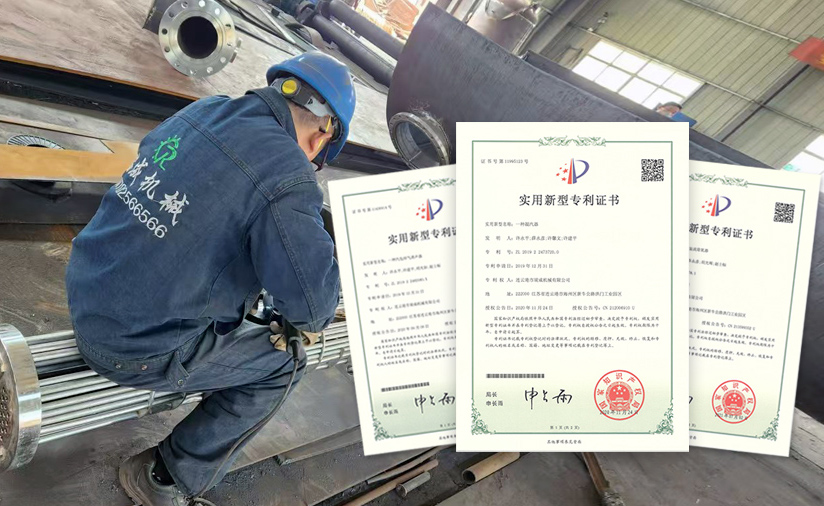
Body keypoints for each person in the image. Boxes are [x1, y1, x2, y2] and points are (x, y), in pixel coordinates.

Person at [64, 51, 356, 506]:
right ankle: (165, 478)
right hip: (132, 346)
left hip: (85, 288)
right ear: (322, 136)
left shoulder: (205, 109)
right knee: (285, 365)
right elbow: (313, 310)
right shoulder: (289, 175)